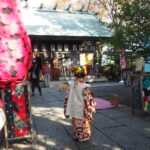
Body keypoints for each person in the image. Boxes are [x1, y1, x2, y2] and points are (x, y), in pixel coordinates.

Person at [64, 66, 96, 142]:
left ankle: (76, 135)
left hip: (73, 108)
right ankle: (83, 137)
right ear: (84, 76)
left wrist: (66, 109)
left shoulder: (71, 85)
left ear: (75, 75)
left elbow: (67, 98)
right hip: (82, 109)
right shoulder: (84, 86)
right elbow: (87, 99)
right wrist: (90, 108)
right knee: (83, 124)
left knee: (75, 123)